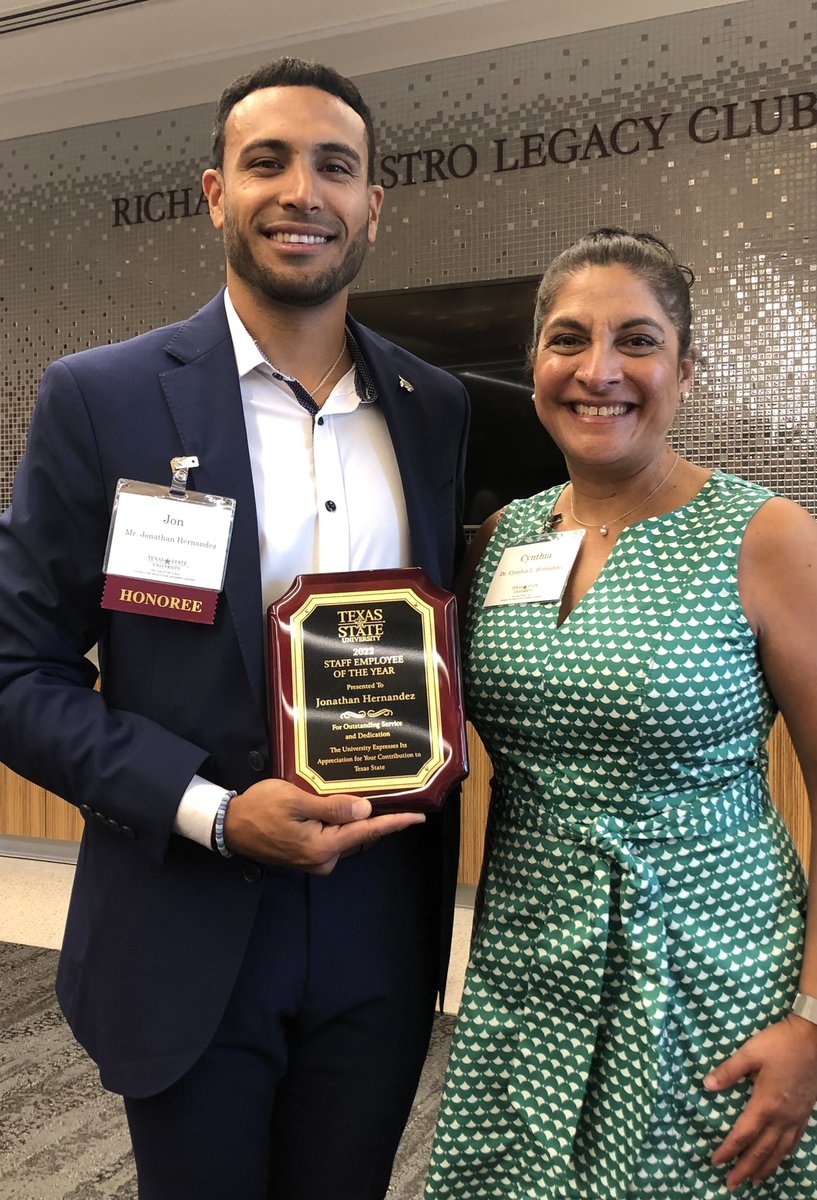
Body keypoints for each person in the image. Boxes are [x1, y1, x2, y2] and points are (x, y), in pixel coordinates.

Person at [0, 57, 469, 1200]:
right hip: (187, 908)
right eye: (266, 161)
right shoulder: (100, 398)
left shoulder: (435, 409)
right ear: (215, 192)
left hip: (381, 917)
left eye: (334, 167)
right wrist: (211, 811)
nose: (300, 190)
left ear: (373, 206)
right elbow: (18, 671)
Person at [425, 228, 817, 1199]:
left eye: (636, 341)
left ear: (685, 368)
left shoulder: (764, 536)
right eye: (569, 340)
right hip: (530, 958)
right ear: (534, 366)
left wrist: (812, 1019)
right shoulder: (499, 537)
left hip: (712, 968)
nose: (599, 370)